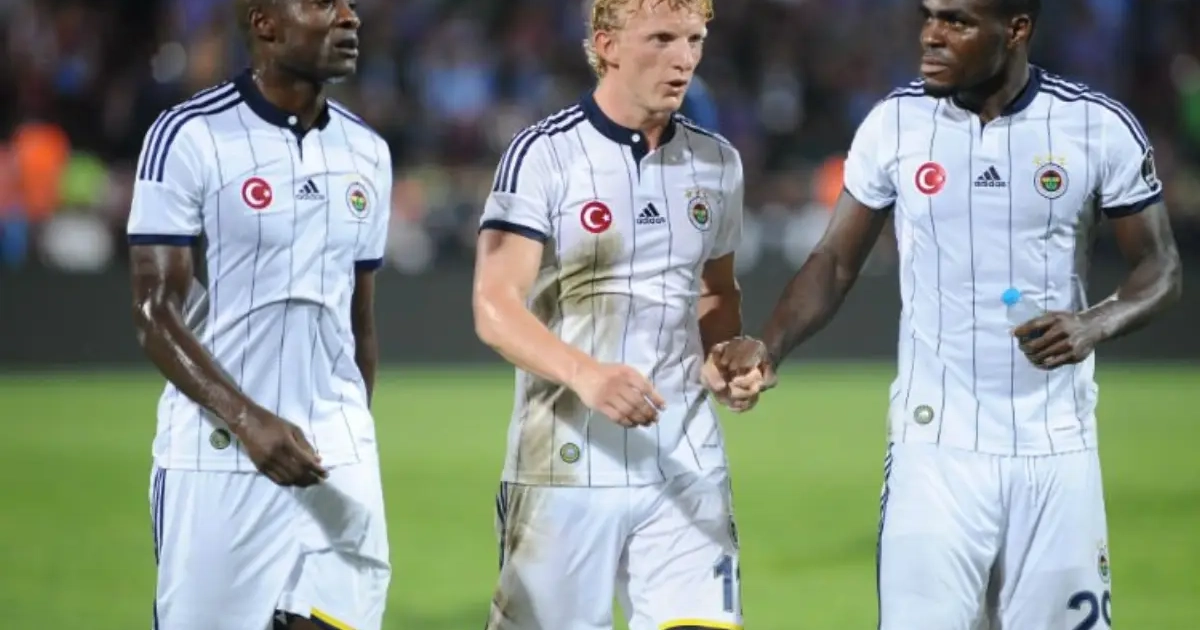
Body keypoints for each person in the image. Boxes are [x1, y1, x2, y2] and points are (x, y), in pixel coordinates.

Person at [711, 0, 1182, 628]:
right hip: (932, 452)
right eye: (929, 15)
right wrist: (769, 345)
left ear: (1016, 29)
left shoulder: (1097, 127)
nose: (931, 35)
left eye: (956, 21)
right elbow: (835, 261)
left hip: (1057, 448)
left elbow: (1160, 267)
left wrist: (1093, 324)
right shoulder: (895, 123)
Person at [471, 0, 751, 628]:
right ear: (608, 45)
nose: (684, 59)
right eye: (662, 38)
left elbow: (717, 293)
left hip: (686, 459)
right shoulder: (545, 154)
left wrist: (725, 355)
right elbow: (494, 306)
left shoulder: (718, 163)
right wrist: (588, 375)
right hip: (563, 466)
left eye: (694, 40)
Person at [126, 0, 393, 628]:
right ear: (265, 22)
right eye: (324, 3)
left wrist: (352, 430)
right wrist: (247, 421)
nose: (349, 17)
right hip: (220, 452)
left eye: (350, 5)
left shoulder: (369, 151)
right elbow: (154, 311)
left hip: (337, 456)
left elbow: (360, 320)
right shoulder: (187, 136)